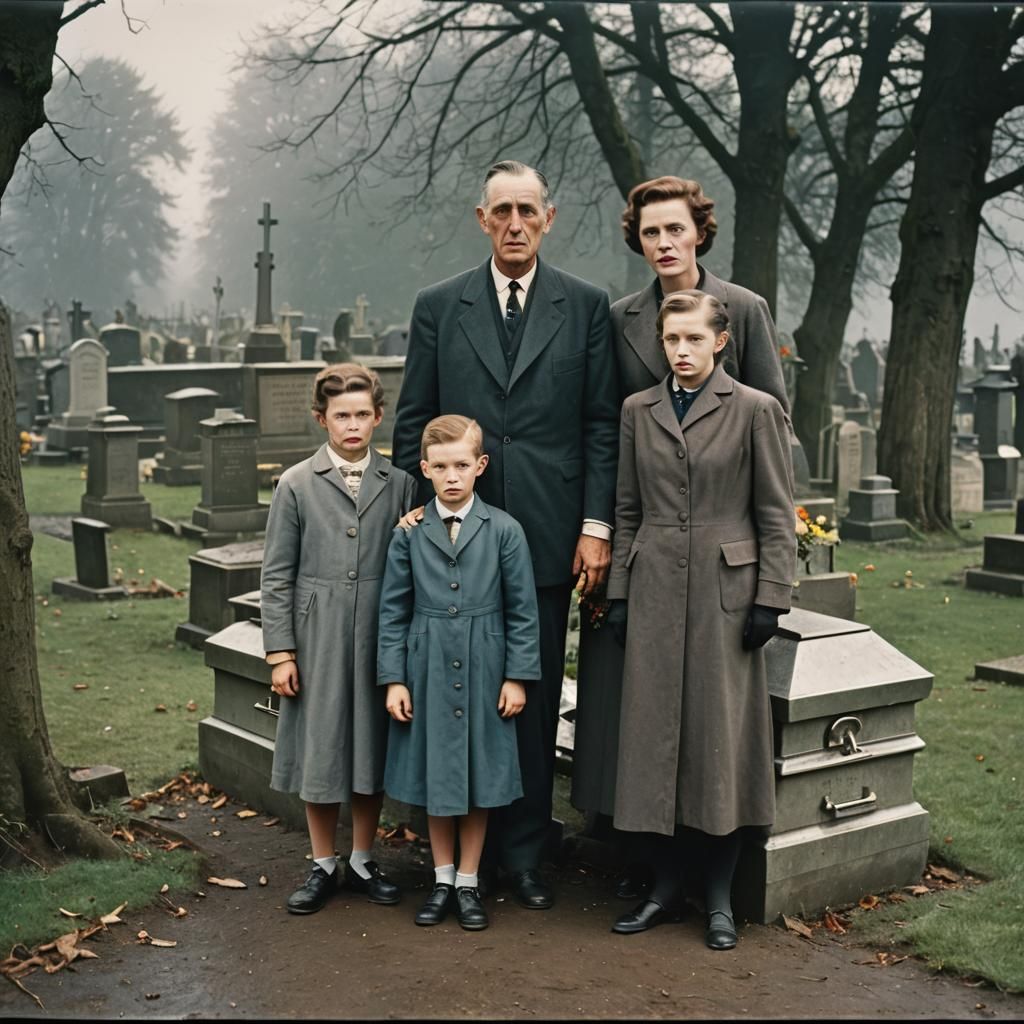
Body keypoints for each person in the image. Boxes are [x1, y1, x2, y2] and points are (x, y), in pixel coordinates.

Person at [391, 159, 620, 909]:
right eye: (502, 212)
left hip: (550, 534)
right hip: (455, 537)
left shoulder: (585, 306)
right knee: (452, 695)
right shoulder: (439, 305)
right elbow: (411, 420)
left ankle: (523, 853)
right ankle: (458, 860)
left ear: (548, 218)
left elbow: (597, 425)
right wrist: (413, 519)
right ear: (482, 220)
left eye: (528, 210)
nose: (515, 224)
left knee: (531, 690)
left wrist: (593, 527)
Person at [570, 175, 790, 898]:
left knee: (718, 724)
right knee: (644, 712)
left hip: (727, 554)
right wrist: (605, 536)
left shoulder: (745, 311)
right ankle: (641, 858)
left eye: (676, 230)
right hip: (654, 553)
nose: (664, 243)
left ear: (699, 233)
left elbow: (770, 435)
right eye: (651, 233)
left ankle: (715, 878)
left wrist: (771, 579)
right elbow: (609, 429)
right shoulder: (622, 317)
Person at [605, 290, 794, 949]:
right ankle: (663, 887)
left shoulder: (754, 410)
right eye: (670, 340)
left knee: (720, 745)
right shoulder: (638, 410)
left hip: (726, 595)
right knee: (656, 742)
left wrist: (770, 596)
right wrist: (621, 591)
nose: (681, 352)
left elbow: (775, 514)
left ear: (721, 341)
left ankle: (717, 897)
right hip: (655, 587)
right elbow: (627, 508)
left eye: (693, 339)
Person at [261, 363, 417, 915]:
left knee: (369, 743)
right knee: (321, 744)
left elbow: (409, 564)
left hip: (378, 628)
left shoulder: (399, 484)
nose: (352, 426)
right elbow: (276, 573)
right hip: (317, 629)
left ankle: (362, 858)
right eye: (340, 416)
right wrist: (281, 652)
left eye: (361, 415)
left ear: (378, 417)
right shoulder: (296, 483)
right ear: (320, 419)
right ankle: (323, 860)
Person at [378, 415, 541, 931]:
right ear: (425, 468)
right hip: (426, 666)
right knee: (438, 774)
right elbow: (392, 610)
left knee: (478, 774)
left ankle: (470, 881)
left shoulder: (505, 531)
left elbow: (523, 610)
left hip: (485, 666)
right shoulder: (408, 533)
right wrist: (395, 678)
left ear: (480, 466)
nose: (452, 476)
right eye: (441, 466)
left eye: (462, 466)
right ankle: (442, 877)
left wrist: (517, 677)